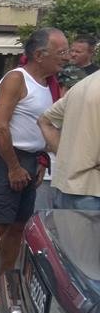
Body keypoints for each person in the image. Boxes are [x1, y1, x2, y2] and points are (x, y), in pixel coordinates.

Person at [0, 27, 69, 308]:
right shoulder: (17, 79)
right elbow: (0, 127)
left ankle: (6, 280)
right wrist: (14, 167)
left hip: (31, 160)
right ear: (40, 55)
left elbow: (42, 127)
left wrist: (40, 160)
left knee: (17, 226)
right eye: (61, 52)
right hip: (9, 159)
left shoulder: (49, 84)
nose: (65, 57)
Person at [37, 68, 100, 210]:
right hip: (93, 190)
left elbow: (44, 121)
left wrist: (68, 157)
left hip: (68, 186)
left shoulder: (82, 85)